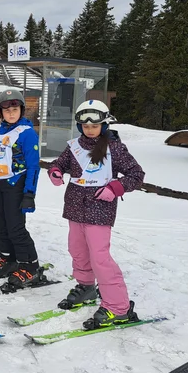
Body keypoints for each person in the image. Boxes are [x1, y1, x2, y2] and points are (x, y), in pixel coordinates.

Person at [48, 100, 145, 329]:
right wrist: (55, 171)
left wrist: (114, 188)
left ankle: (118, 307)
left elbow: (136, 175)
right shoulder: (74, 146)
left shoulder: (114, 148)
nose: (90, 129)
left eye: (95, 125)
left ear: (104, 123)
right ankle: (86, 287)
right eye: (85, 125)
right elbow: (59, 163)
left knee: (100, 258)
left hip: (100, 211)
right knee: (78, 251)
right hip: (75, 208)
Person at [0, 89, 41, 289]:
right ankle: (9, 259)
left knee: (16, 227)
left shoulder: (26, 133)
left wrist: (29, 193)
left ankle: (30, 265)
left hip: (16, 184)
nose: (11, 113)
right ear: (0, 113)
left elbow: (33, 166)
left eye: (15, 109)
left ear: (21, 110)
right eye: (7, 110)